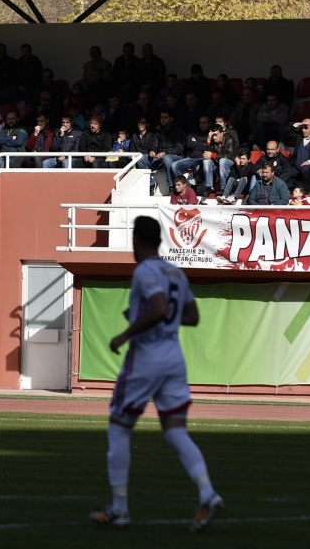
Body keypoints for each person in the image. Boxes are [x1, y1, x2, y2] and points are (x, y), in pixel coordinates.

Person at [92, 216, 222, 532]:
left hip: (146, 358)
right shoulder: (175, 271)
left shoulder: (145, 270)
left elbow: (161, 308)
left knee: (119, 428)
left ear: (136, 241)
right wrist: (145, 314)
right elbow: (190, 315)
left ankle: (120, 509)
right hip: (174, 359)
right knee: (176, 430)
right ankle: (207, 492)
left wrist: (126, 332)